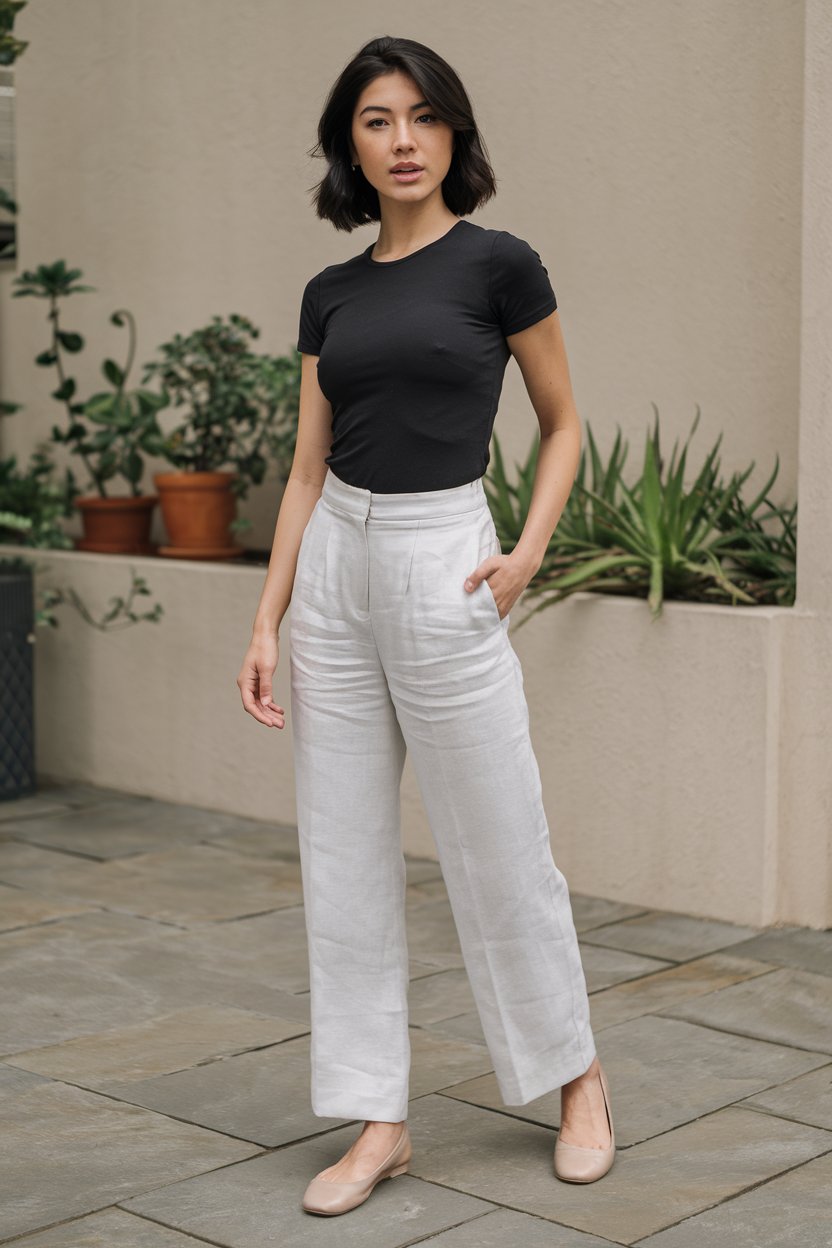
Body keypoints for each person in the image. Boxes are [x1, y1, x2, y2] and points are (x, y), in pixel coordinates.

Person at [237, 34, 615, 1217]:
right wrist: (266, 618)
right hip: (338, 568)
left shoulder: (500, 266)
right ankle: (380, 1118)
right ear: (349, 144)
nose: (400, 141)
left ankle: (577, 1083)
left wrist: (525, 557)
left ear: (453, 133)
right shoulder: (331, 292)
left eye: (420, 118)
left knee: (499, 836)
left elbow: (560, 423)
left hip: (447, 557)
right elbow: (303, 471)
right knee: (341, 854)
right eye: (375, 121)